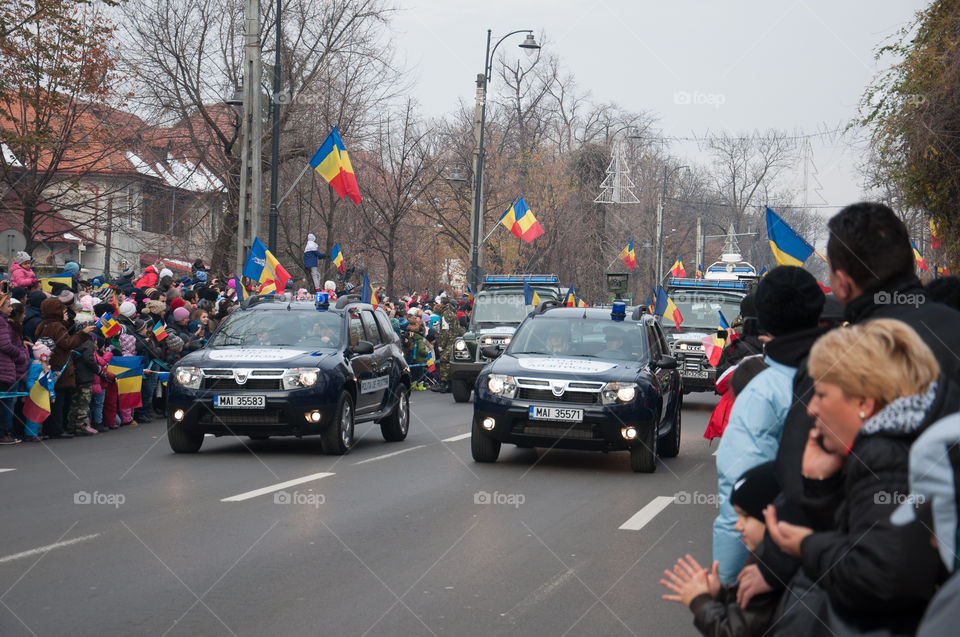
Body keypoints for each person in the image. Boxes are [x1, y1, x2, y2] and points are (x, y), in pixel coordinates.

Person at [741, 202, 960, 611]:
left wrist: (772, 564)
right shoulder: (951, 328)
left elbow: (799, 476)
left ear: (842, 284)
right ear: (908, 260)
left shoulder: (841, 358)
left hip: (867, 577)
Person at [764, 319, 944, 635]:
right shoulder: (892, 446)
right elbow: (865, 534)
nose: (812, 409)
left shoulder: (885, 456)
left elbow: (879, 574)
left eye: (821, 394)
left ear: (864, 402)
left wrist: (806, 545)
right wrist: (823, 485)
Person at [713, 266, 824, 585]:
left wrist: (727, 584)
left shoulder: (762, 392)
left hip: (776, 571)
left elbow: (738, 497)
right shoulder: (849, 376)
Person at [661, 462, 782, 636]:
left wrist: (701, 602)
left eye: (746, 517)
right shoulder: (767, 559)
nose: (737, 526)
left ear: (772, 516)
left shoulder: (769, 572)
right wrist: (721, 595)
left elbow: (735, 633)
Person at [34, 298, 96, 438]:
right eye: (63, 311)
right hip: (59, 367)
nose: (66, 314)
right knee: (58, 401)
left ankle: (49, 429)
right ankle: (57, 429)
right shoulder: (57, 326)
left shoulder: (42, 325)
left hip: (47, 365)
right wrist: (82, 333)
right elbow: (67, 343)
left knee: (49, 400)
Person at [0, 292, 29, 444]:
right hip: (4, 367)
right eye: (7, 305)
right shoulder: (2, 322)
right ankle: (4, 433)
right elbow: (4, 344)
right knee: (7, 403)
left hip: (6, 367)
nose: (10, 308)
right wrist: (19, 354)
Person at [22, 341, 56, 442]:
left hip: (42, 394)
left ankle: (36, 433)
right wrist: (34, 390)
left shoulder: (44, 366)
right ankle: (30, 434)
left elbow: (48, 381)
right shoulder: (37, 366)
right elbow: (31, 380)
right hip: (37, 395)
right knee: (34, 416)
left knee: (39, 415)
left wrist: (51, 394)